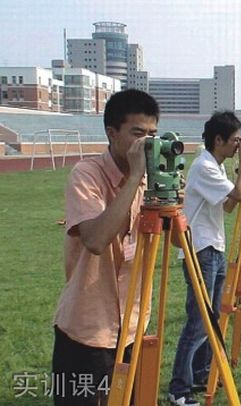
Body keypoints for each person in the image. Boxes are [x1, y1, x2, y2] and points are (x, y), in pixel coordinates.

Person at [52, 89, 159, 405]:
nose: (146, 144)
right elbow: (96, 240)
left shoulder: (149, 182)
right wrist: (136, 175)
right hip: (87, 330)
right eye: (138, 134)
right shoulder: (87, 174)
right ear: (112, 133)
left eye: (152, 135)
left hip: (133, 326)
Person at [168, 112, 241, 405]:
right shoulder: (205, 166)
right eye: (234, 142)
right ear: (218, 140)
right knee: (198, 321)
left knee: (211, 318)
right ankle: (178, 388)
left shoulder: (216, 166)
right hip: (201, 249)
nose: (237, 146)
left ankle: (202, 373)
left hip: (213, 247)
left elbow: (228, 207)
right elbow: (240, 197)